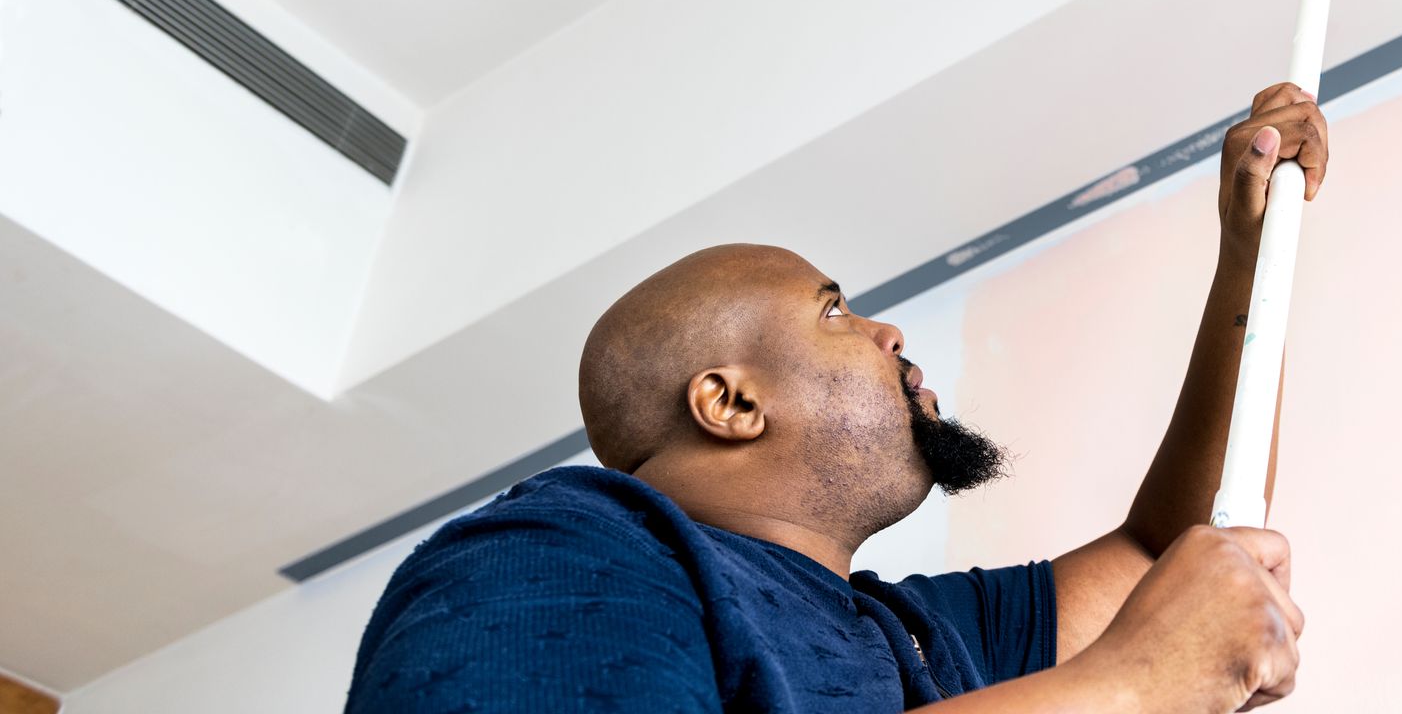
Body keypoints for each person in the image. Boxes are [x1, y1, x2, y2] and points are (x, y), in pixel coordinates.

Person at [347, 82, 1330, 712]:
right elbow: (1153, 643)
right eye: (835, 310)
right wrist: (1133, 682)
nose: (890, 332)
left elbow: (1175, 558)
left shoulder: (913, 634)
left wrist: (1252, 249)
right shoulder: (558, 549)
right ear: (729, 401)